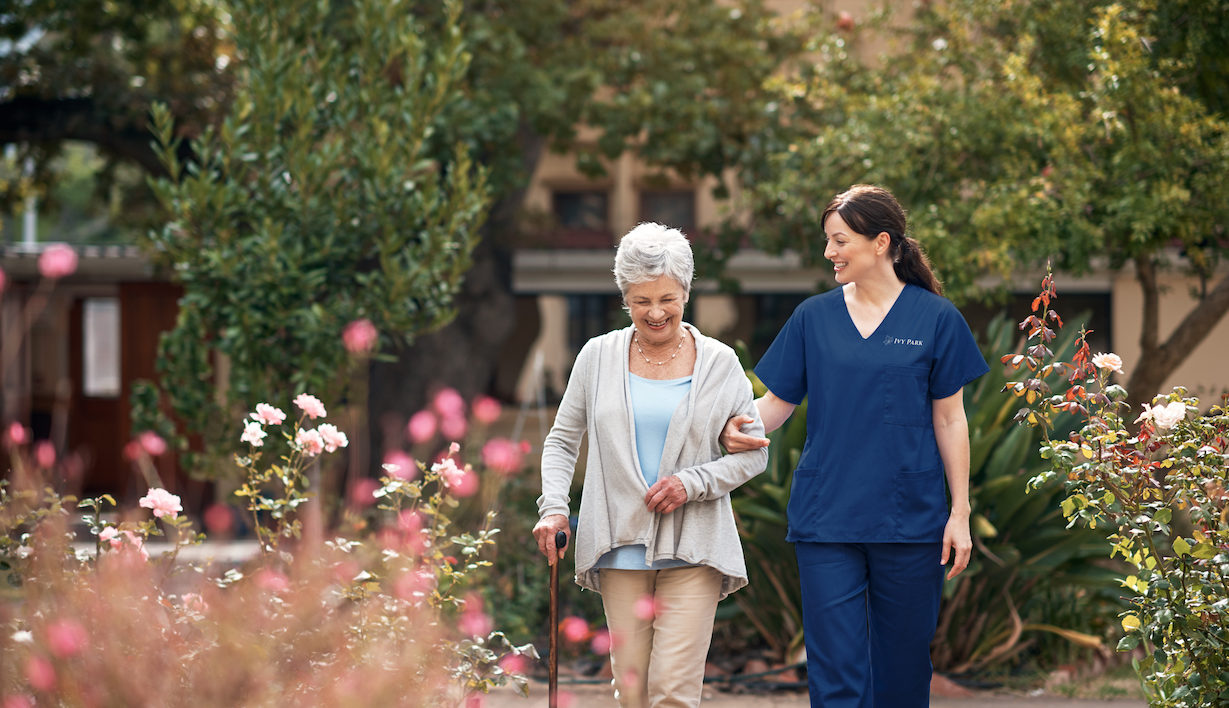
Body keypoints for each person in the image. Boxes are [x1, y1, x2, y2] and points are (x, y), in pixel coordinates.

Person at [720, 184, 989, 707]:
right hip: (828, 519)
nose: (829, 253)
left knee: (903, 670)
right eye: (828, 241)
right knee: (835, 671)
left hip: (910, 521)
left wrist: (960, 513)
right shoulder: (812, 318)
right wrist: (732, 427)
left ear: (881, 242)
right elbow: (776, 403)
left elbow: (951, 420)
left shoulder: (936, 319)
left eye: (839, 241)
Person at [534, 222, 768, 708]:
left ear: (686, 290)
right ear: (625, 298)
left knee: (673, 691)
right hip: (619, 546)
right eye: (642, 302)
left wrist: (693, 482)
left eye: (667, 298)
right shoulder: (597, 357)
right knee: (633, 691)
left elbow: (754, 454)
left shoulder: (720, 364)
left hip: (695, 547)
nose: (656, 312)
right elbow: (561, 441)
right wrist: (554, 508)